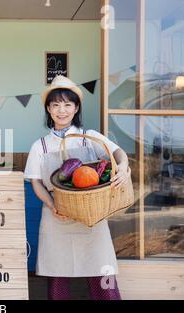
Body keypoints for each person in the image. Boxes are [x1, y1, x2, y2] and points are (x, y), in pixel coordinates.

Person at [24, 75, 130, 300]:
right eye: (56, 105)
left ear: (76, 108)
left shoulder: (88, 137)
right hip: (57, 217)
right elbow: (36, 182)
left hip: (92, 216)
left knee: (103, 273)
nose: (61, 110)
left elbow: (118, 153)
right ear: (49, 109)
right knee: (57, 276)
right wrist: (52, 205)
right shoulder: (39, 146)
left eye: (67, 104)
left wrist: (122, 166)